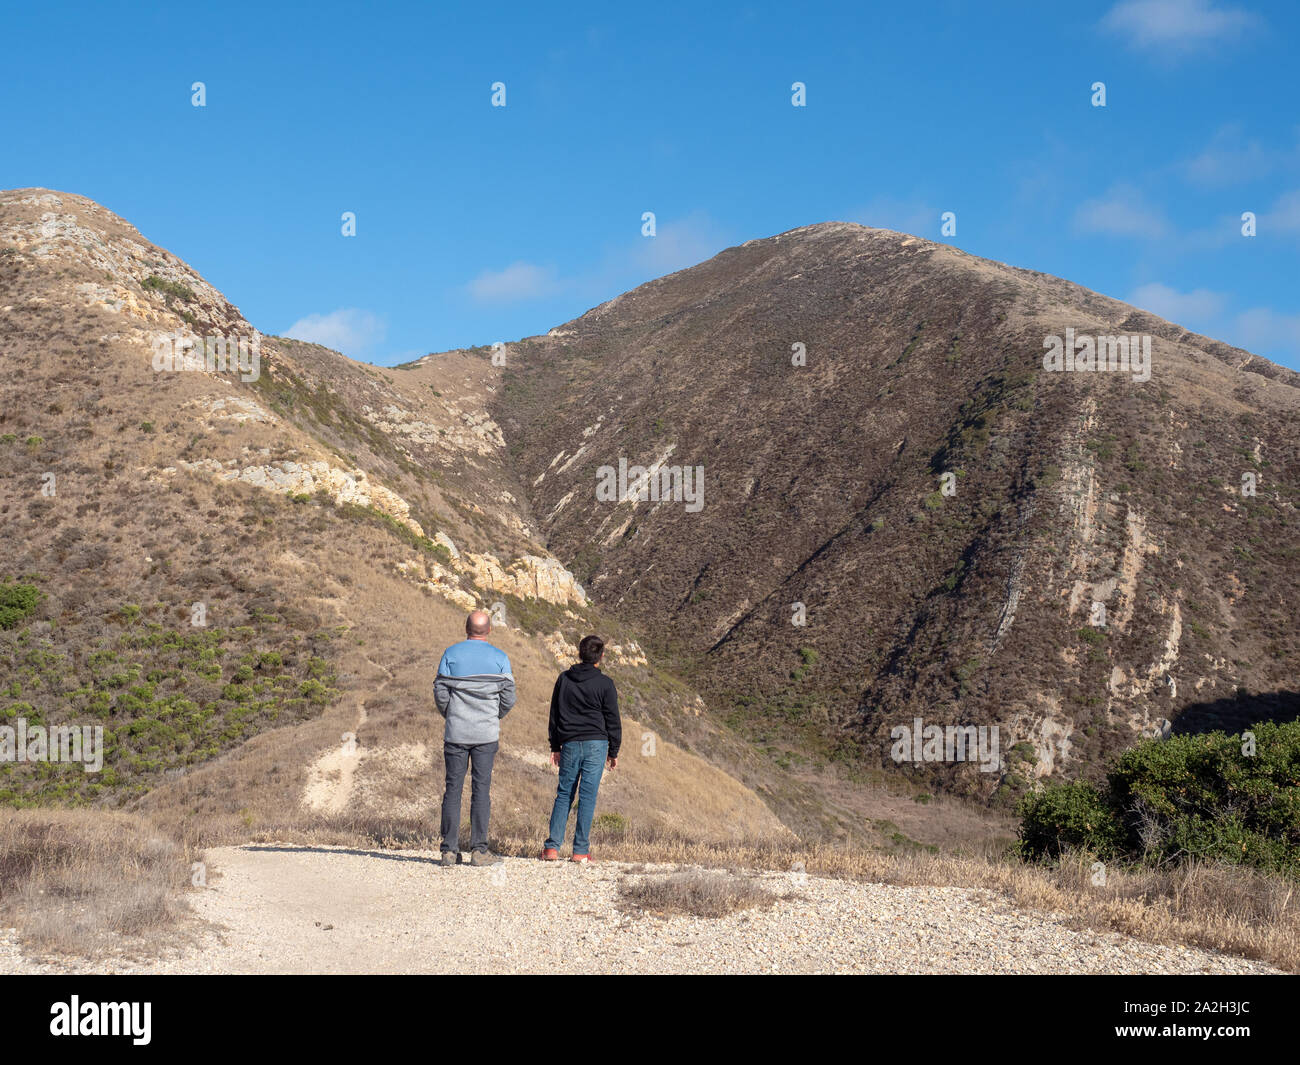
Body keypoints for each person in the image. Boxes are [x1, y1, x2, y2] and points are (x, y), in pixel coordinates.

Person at [434, 610, 515, 867]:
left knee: (453, 789)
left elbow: (440, 691)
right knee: (481, 791)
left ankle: (449, 850)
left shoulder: (451, 654)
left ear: (466, 628)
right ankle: (479, 851)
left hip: (456, 732)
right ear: (489, 630)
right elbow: (509, 697)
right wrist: (493, 716)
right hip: (486, 734)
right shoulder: (500, 658)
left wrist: (451, 714)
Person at [541, 635, 621, 863]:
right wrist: (613, 751)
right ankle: (580, 851)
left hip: (569, 744)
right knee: (587, 796)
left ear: (579, 653)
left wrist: (555, 745)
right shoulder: (605, 683)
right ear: (601, 656)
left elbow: (554, 715)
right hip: (597, 744)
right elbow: (613, 719)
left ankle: (552, 848)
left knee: (564, 793)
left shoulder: (564, 679)